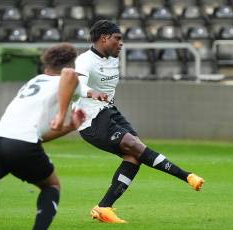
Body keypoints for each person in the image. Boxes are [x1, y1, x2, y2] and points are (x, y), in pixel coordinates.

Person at [74, 20, 205, 223]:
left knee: (134, 155)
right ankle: (186, 176)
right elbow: (77, 86)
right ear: (104, 38)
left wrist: (103, 98)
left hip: (108, 111)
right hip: (89, 119)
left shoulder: (113, 59)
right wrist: (93, 92)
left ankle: (104, 207)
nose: (121, 44)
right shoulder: (85, 60)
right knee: (134, 146)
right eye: (117, 39)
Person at [0, 43, 101, 230]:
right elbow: (68, 75)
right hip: (20, 144)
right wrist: (61, 116)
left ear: (46, 68)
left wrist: (70, 127)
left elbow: (39, 136)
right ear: (72, 64)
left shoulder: (34, 81)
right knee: (51, 186)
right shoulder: (69, 78)